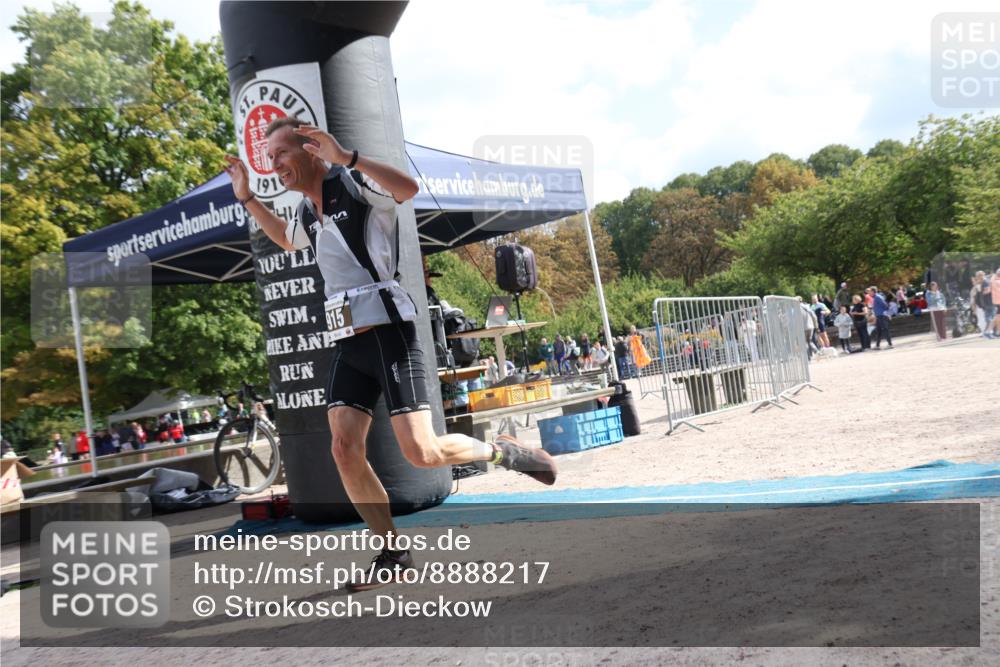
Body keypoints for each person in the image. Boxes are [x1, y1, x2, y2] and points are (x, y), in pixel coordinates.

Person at [224, 119, 557, 589]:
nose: (272, 164)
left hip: (389, 333)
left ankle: (504, 452)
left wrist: (347, 157)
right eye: (269, 157)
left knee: (422, 453)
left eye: (279, 154)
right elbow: (285, 239)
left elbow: (407, 187)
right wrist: (247, 197)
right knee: (343, 448)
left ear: (311, 150)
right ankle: (393, 552)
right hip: (348, 341)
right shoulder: (303, 211)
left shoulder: (353, 183)